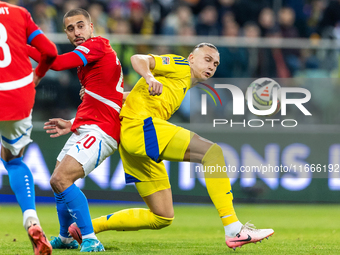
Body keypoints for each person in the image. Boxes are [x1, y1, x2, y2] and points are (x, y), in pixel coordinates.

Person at [69, 43, 274, 250]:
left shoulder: (181, 83)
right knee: (213, 153)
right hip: (141, 126)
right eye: (207, 59)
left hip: (132, 139)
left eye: (216, 63)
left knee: (162, 216)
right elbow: (137, 59)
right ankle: (234, 229)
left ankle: (85, 228)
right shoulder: (181, 64)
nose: (212, 65)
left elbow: (134, 98)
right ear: (192, 58)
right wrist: (149, 76)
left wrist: (100, 97)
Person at [27, 8, 123, 252]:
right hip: (86, 127)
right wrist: (73, 124)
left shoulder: (96, 46)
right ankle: (67, 237)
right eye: (70, 29)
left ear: (91, 27)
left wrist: (21, 45)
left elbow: (57, 63)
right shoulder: (89, 61)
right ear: (66, 33)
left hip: (102, 130)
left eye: (80, 26)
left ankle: (91, 238)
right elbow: (101, 96)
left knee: (61, 178)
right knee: (57, 180)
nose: (76, 32)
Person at [0, 1, 57, 255]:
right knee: (13, 159)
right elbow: (50, 51)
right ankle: (32, 220)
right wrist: (39, 74)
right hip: (18, 95)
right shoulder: (19, 13)